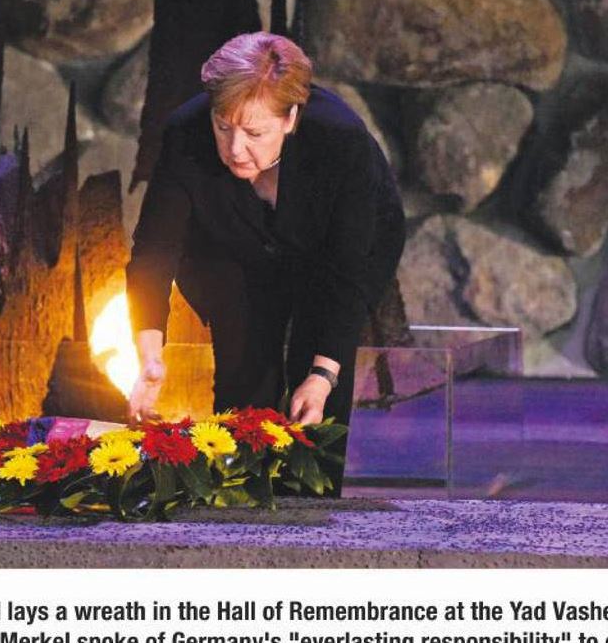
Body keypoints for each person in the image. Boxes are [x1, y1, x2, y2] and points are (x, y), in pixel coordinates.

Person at [125, 32, 405, 493]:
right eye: (223, 127)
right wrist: (149, 358)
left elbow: (347, 271)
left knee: (316, 384)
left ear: (290, 118)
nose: (235, 148)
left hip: (338, 254)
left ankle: (312, 504)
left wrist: (321, 377)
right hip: (232, 245)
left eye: (254, 133)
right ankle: (241, 497)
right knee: (243, 366)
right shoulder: (185, 132)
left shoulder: (340, 141)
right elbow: (154, 250)